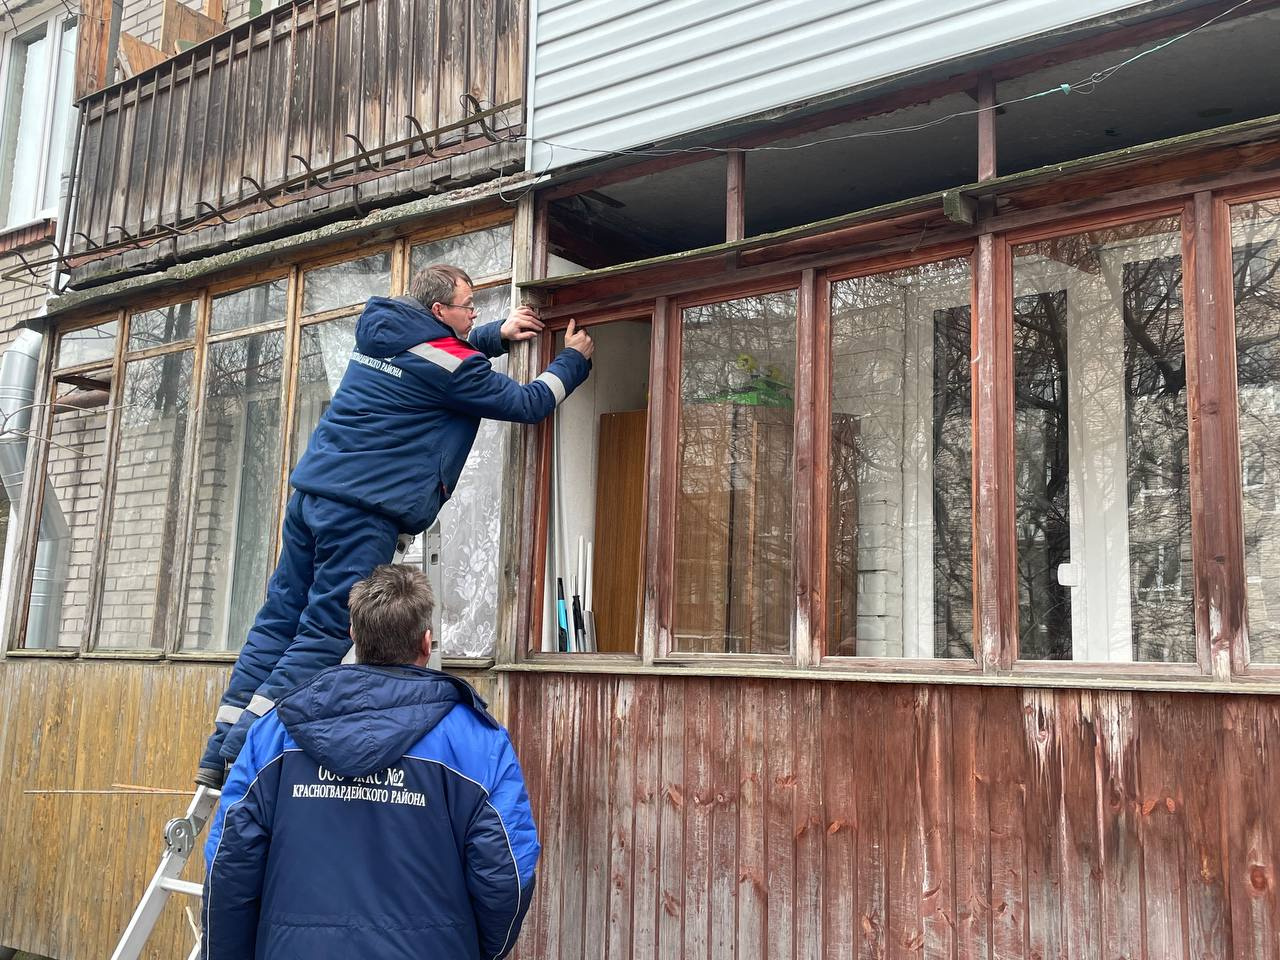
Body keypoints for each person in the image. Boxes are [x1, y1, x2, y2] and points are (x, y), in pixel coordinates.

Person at [196, 264, 594, 786]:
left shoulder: (383, 334)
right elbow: (526, 402)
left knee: (278, 620)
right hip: (363, 512)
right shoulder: (448, 361)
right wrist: (573, 361)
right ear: (438, 312)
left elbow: (436, 356)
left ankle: (219, 744)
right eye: (468, 304)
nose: (475, 311)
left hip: (312, 496)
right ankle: (245, 747)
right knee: (322, 633)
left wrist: (494, 334)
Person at [202, 564, 538, 960]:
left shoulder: (274, 734)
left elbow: (229, 863)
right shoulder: (479, 743)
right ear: (426, 643)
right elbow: (507, 876)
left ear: (353, 637)